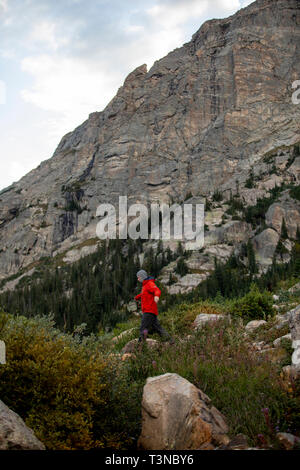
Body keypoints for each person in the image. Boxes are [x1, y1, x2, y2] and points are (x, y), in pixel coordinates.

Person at [135, 269, 173, 344]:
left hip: (149, 311)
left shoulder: (149, 284)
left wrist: (157, 296)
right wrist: (137, 297)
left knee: (143, 327)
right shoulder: (145, 285)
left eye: (138, 277)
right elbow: (145, 294)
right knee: (158, 328)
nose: (138, 279)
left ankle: (140, 343)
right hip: (151, 311)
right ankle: (170, 341)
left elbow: (157, 290)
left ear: (142, 277)